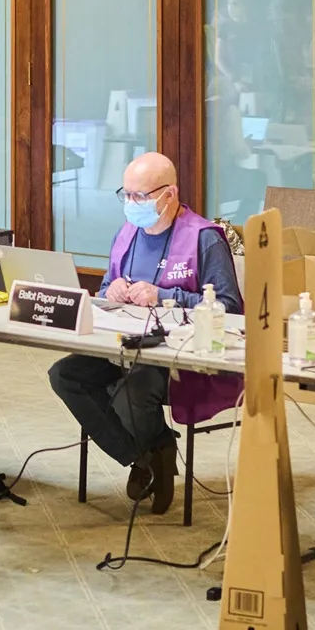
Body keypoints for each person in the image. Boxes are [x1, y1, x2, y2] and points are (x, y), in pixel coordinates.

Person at [48, 152, 242, 515]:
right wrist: (113, 291)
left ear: (169, 194)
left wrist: (164, 296)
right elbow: (105, 289)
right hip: (122, 345)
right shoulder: (127, 233)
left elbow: (230, 308)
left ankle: (152, 449)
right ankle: (149, 454)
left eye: (141, 196)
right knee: (65, 375)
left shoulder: (204, 238)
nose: (132, 204)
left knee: (129, 392)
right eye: (127, 195)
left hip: (179, 356)